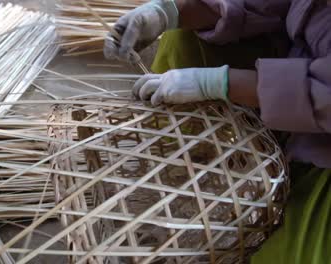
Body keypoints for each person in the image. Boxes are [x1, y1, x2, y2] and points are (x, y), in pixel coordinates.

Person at [104, 0, 330, 263]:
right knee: (183, 39)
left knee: (299, 253)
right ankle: (192, 156)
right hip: (295, 58)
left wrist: (217, 83)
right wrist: (168, 12)